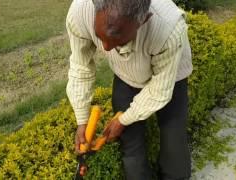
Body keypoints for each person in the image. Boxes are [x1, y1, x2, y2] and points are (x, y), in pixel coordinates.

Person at [66, 0, 193, 179]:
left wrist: (124, 120)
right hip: (126, 75)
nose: (106, 48)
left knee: (174, 142)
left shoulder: (169, 28)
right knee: (131, 145)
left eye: (118, 41)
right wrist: (82, 120)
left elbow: (159, 90)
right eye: (100, 36)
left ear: (144, 20)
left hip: (170, 77)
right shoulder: (80, 11)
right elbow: (81, 67)